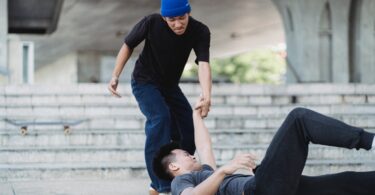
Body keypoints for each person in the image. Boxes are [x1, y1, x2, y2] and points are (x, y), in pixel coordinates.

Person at [153, 101, 375, 195]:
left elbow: (204, 145)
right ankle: (370, 141)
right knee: (298, 119)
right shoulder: (180, 181)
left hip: (275, 189)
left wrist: (195, 114)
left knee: (346, 182)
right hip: (260, 190)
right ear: (173, 165)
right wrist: (224, 170)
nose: (191, 154)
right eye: (185, 154)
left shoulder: (205, 174)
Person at [107, 0, 212, 194]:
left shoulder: (200, 31)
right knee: (160, 119)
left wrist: (207, 95)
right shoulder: (151, 22)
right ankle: (160, 185)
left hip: (170, 86)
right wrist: (115, 75)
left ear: (188, 13)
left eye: (182, 18)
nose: (178, 24)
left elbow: (203, 63)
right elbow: (128, 45)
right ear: (164, 17)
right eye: (172, 20)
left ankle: (179, 176)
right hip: (144, 82)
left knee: (189, 129)